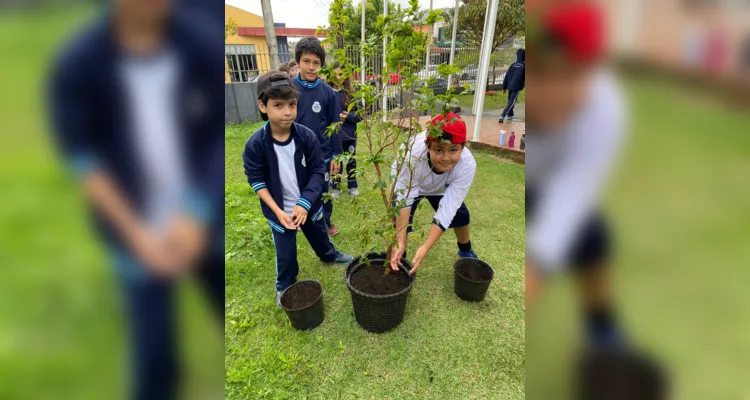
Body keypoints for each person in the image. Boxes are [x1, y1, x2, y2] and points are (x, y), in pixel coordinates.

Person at [47, 1, 224, 398]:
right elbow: (83, 158)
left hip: (203, 223)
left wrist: (196, 213)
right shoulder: (79, 62)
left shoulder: (199, 44)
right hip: (133, 233)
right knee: (154, 354)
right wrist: (137, 237)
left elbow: (215, 137)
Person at [243, 71, 353, 307]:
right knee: (286, 256)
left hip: (308, 205)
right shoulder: (255, 144)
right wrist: (278, 211)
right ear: (262, 106)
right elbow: (256, 181)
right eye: (278, 105)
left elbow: (316, 172)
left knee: (320, 235)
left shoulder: (306, 137)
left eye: (292, 104)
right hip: (279, 211)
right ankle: (284, 284)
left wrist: (304, 203)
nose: (287, 112)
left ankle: (329, 255)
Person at [390, 113, 478, 275]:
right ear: (427, 145)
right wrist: (400, 240)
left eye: (453, 150)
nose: (445, 158)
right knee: (400, 220)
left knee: (460, 215)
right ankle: (400, 253)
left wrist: (425, 247)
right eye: (438, 150)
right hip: (410, 183)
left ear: (463, 147)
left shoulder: (467, 164)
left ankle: (465, 250)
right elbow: (404, 199)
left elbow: (448, 209)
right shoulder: (412, 156)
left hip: (441, 186)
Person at [291, 36, 343, 236]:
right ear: (298, 62)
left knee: (324, 190)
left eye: (316, 63)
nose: (311, 67)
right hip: (294, 153)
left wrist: (337, 155)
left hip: (323, 154)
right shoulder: (288, 89)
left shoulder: (329, 94)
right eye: (306, 61)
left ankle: (326, 222)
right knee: (298, 187)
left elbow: (334, 126)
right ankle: (299, 218)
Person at [329, 61, 362, 198]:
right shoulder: (327, 92)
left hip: (349, 135)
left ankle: (352, 186)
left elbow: (360, 114)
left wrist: (349, 116)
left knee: (351, 161)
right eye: (335, 74)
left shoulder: (351, 93)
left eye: (341, 74)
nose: (338, 77)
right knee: (336, 161)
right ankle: (335, 187)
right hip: (334, 135)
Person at [498, 48, 525, 123]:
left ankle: (510, 113)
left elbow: (506, 76)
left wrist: (504, 87)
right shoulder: (524, 66)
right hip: (517, 86)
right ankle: (503, 115)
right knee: (512, 101)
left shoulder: (512, 65)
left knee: (510, 100)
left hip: (510, 85)